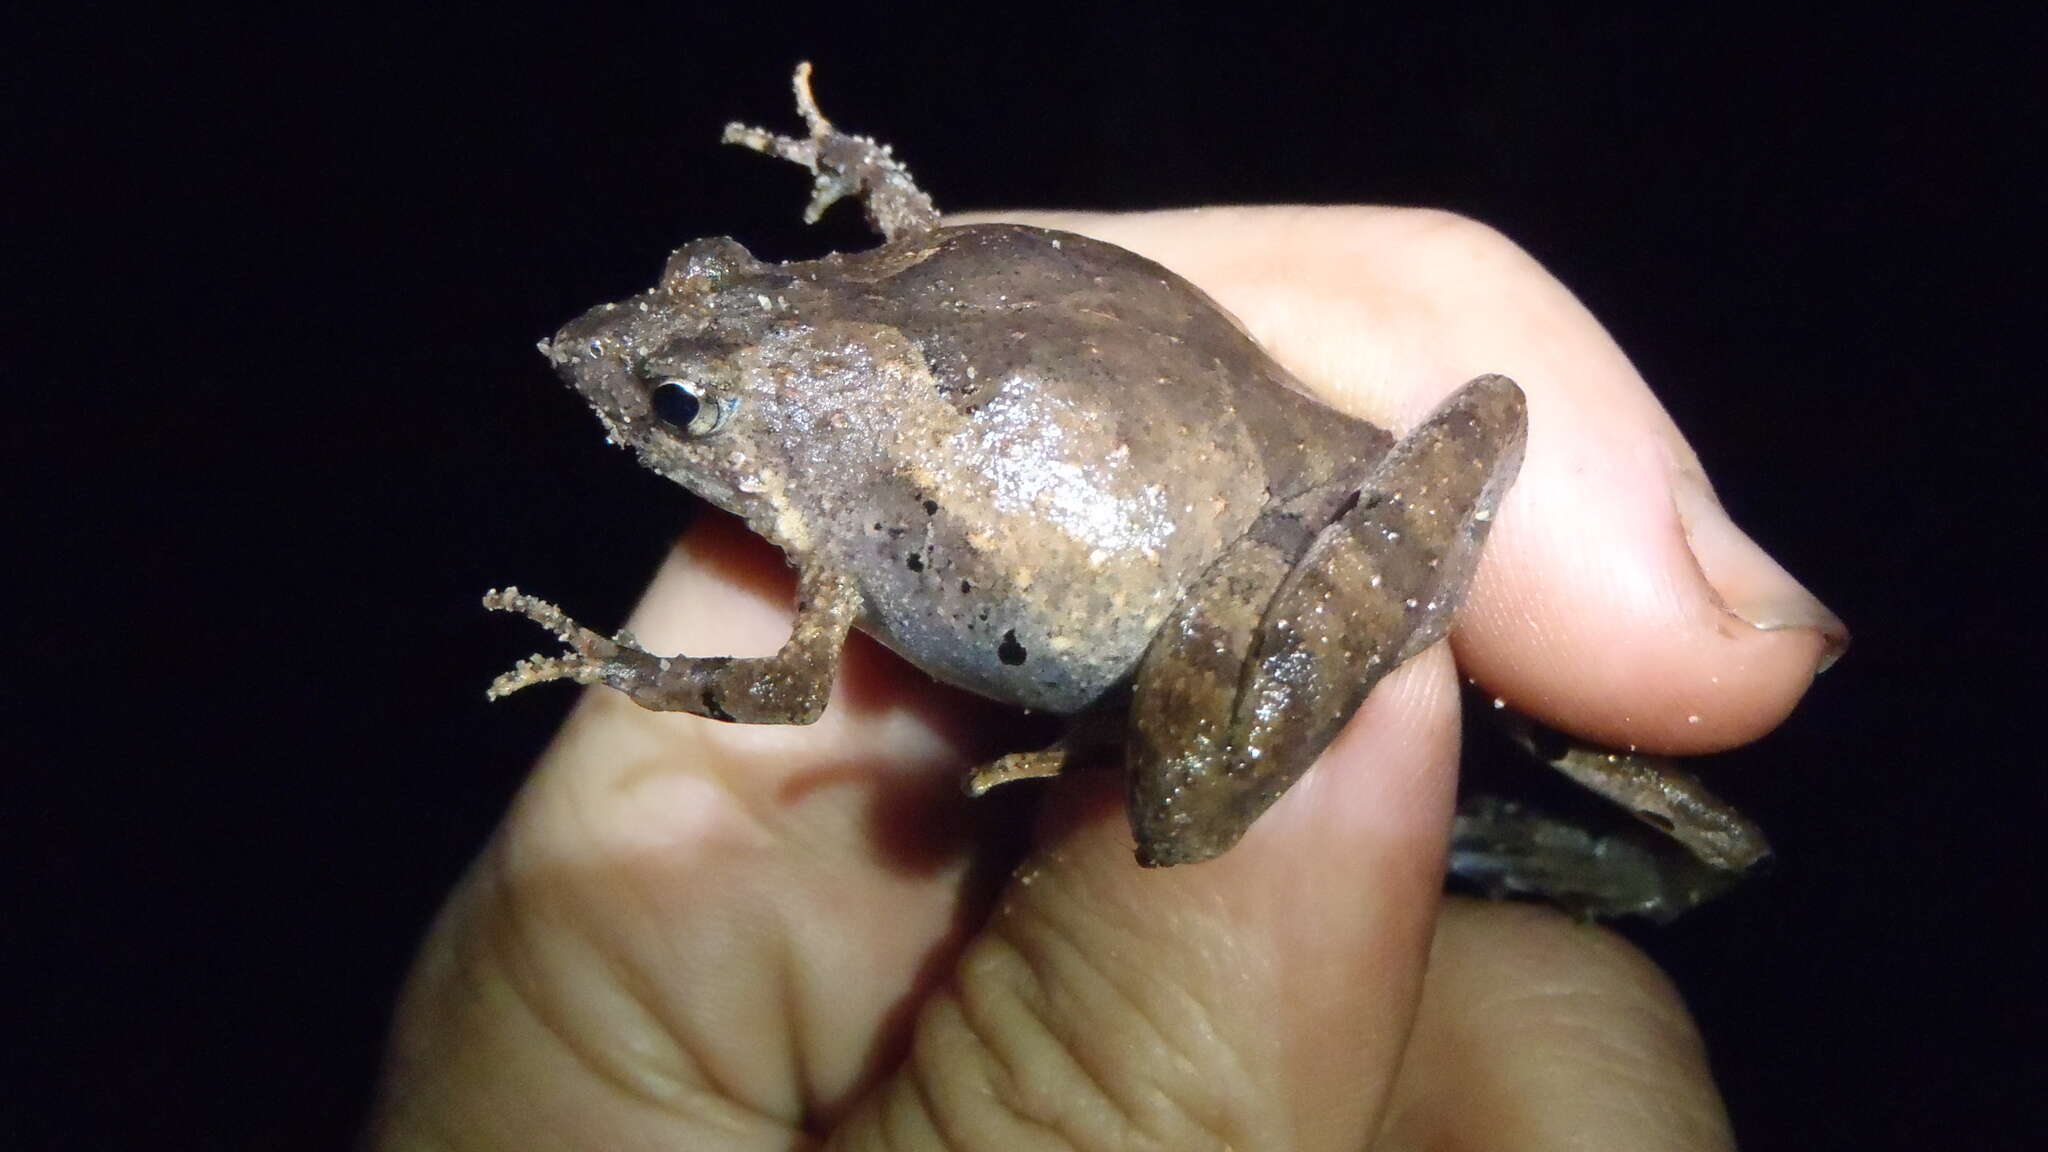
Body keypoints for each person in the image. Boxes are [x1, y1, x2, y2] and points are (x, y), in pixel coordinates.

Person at [365, 205, 1840, 1150]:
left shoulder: (818, 522)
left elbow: (793, 692)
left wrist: (622, 664)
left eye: (679, 403)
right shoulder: (904, 258)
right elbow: (938, 230)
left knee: (1187, 811)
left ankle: (1168, 756)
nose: (604, 364)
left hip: (1249, 566)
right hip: (1310, 466)